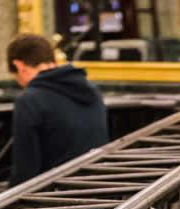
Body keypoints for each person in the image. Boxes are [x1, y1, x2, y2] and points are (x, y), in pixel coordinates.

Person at [6, 34, 110, 185]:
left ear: (19, 66)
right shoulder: (92, 90)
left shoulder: (29, 100)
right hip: (100, 188)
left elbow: (26, 171)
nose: (21, 84)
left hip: (56, 194)